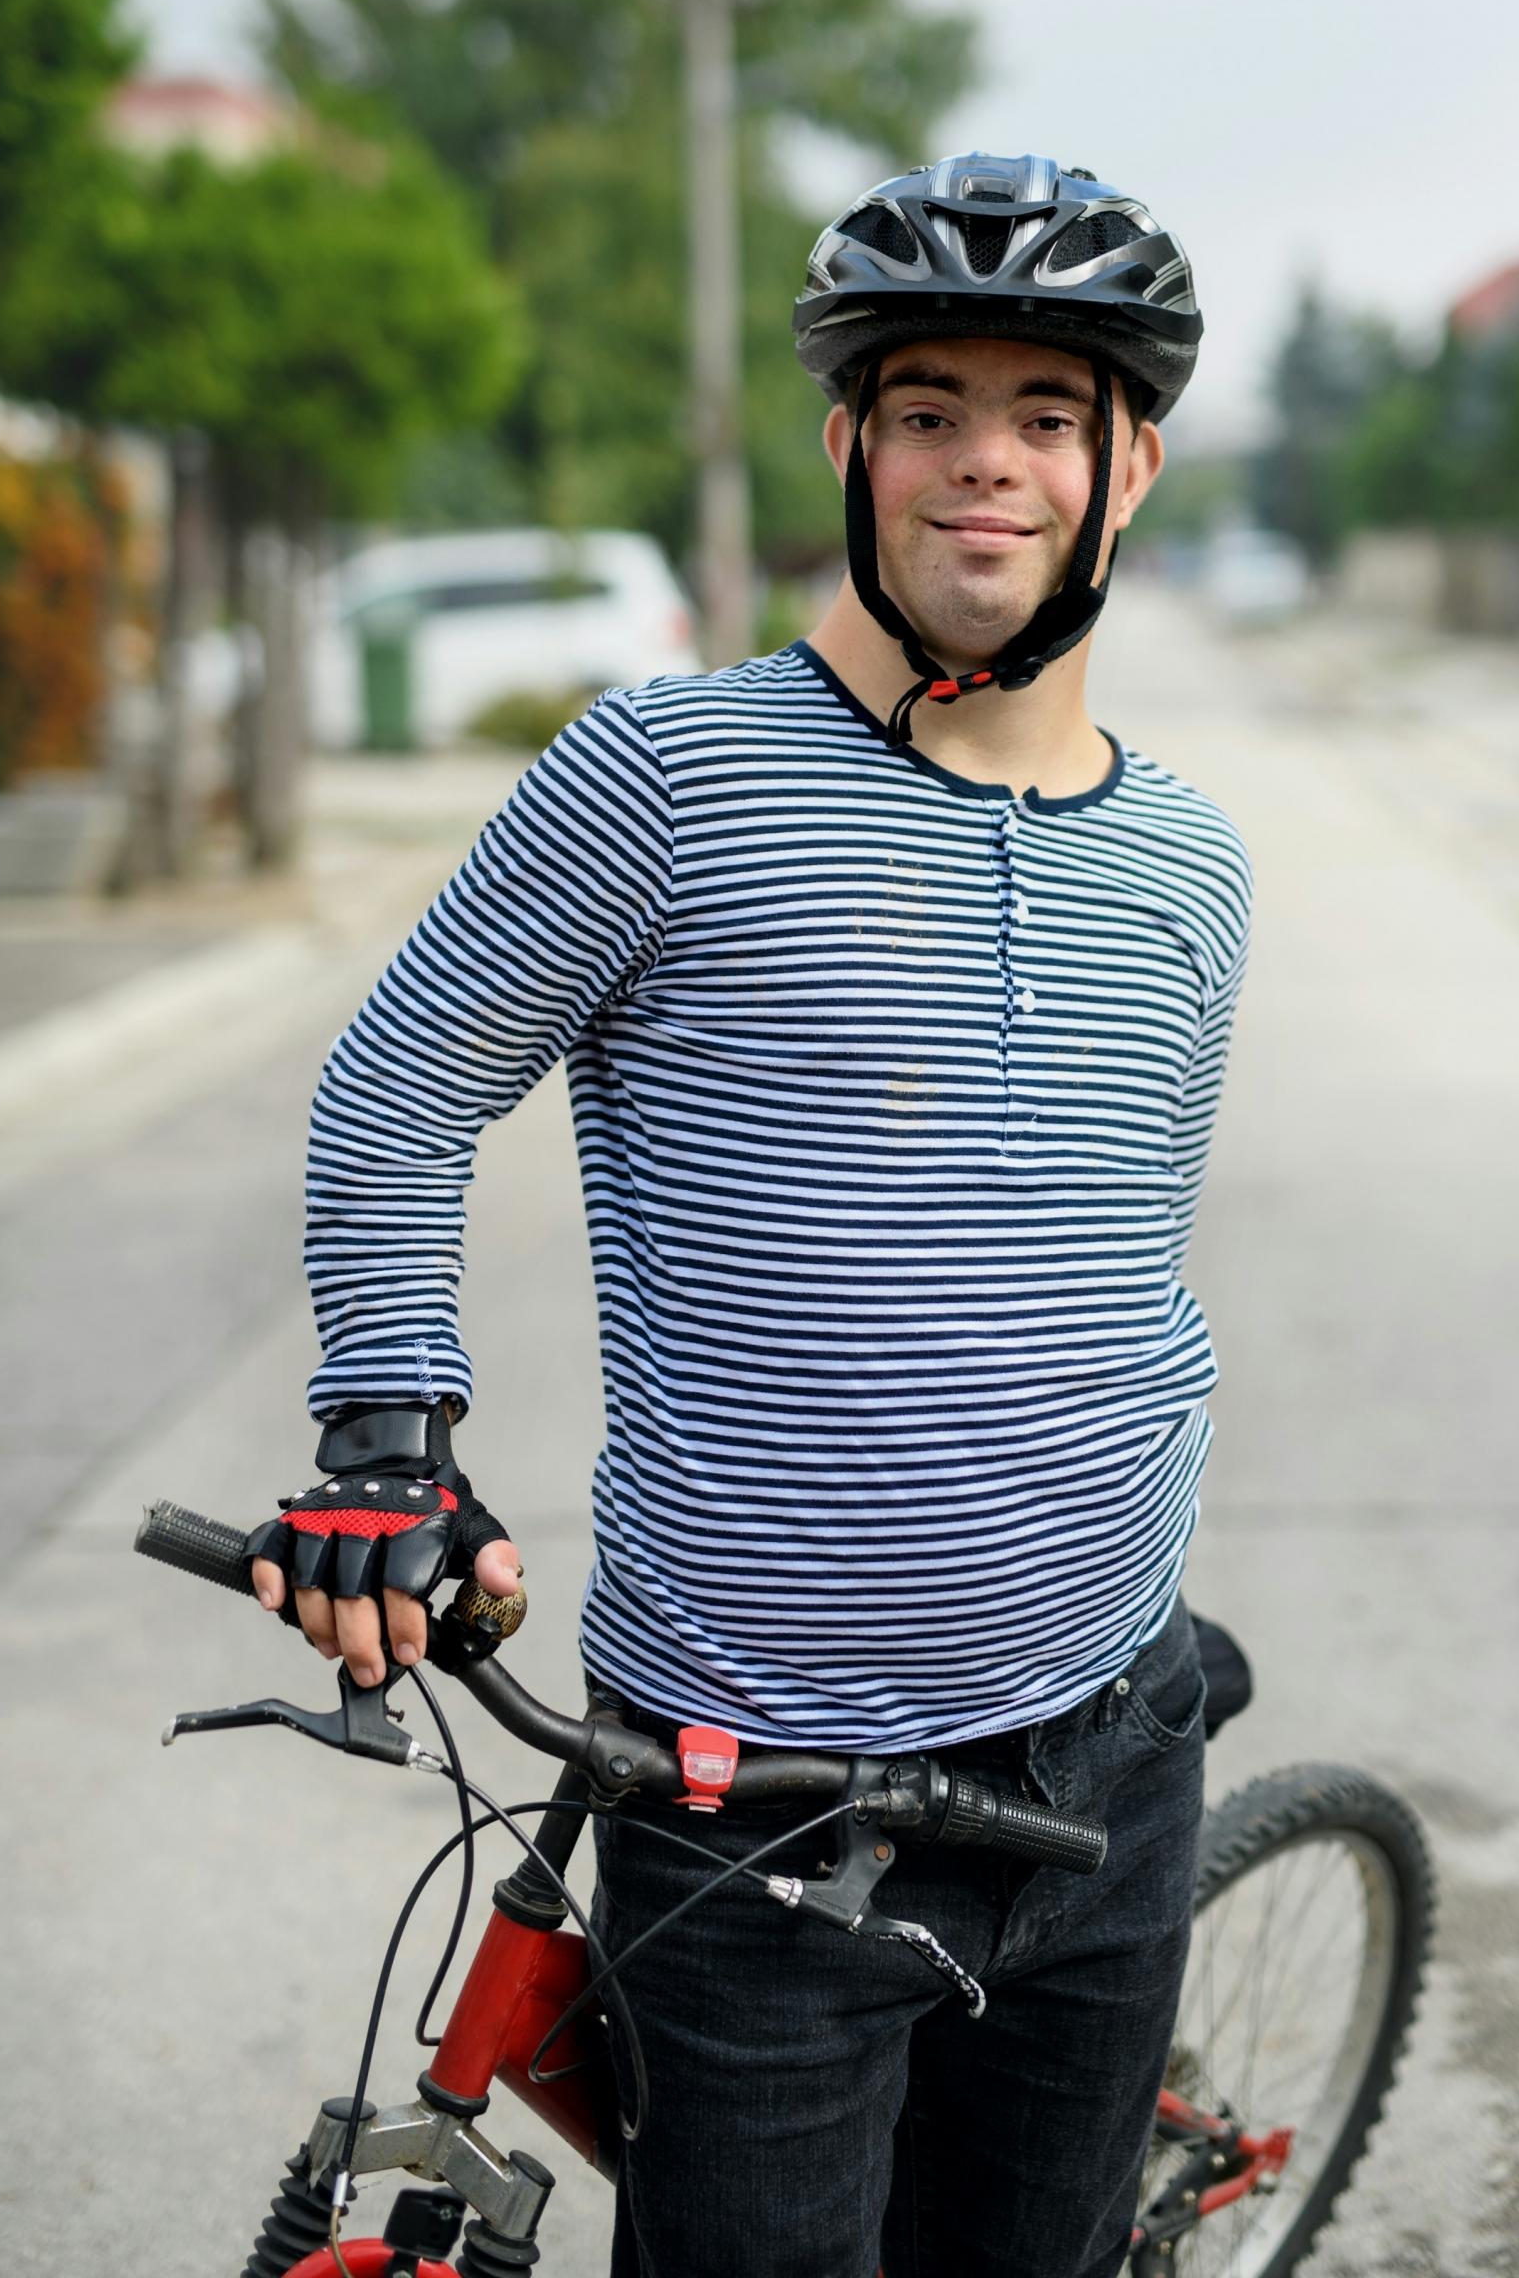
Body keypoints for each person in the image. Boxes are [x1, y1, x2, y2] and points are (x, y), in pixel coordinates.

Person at [249, 152, 1252, 2278]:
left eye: (1047, 413)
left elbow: (1103, 1261)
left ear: (1128, 466)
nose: (985, 460)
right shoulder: (669, 772)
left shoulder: (1189, 859)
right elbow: (400, 1086)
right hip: (754, 1808)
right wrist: (385, 1434)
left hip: (1111, 1758)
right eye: (928, 407)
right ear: (847, 448)